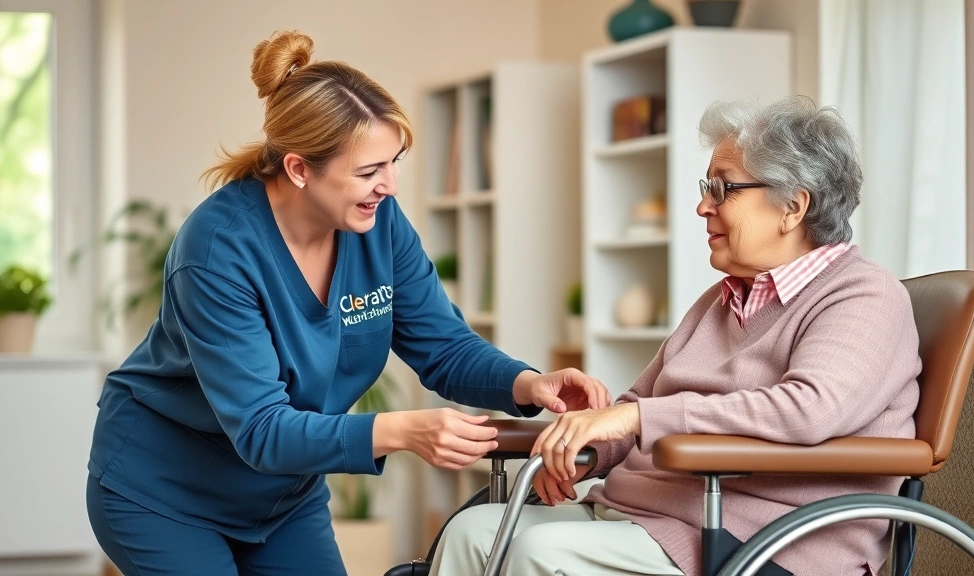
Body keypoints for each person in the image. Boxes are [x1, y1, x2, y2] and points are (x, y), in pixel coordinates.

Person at [85, 30, 611, 576]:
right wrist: (402, 431)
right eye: (368, 171)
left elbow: (443, 345)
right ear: (298, 168)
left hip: (281, 498)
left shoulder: (376, 224)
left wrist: (525, 385)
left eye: (394, 161)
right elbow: (263, 428)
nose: (390, 185)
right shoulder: (217, 251)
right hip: (166, 493)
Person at [429, 95, 922, 576]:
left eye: (723, 189)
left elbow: (808, 409)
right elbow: (642, 402)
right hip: (650, 513)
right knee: (471, 530)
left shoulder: (863, 297)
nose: (702, 207)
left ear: (792, 206)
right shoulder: (723, 297)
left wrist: (633, 418)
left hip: (758, 536)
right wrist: (590, 452)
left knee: (542, 549)